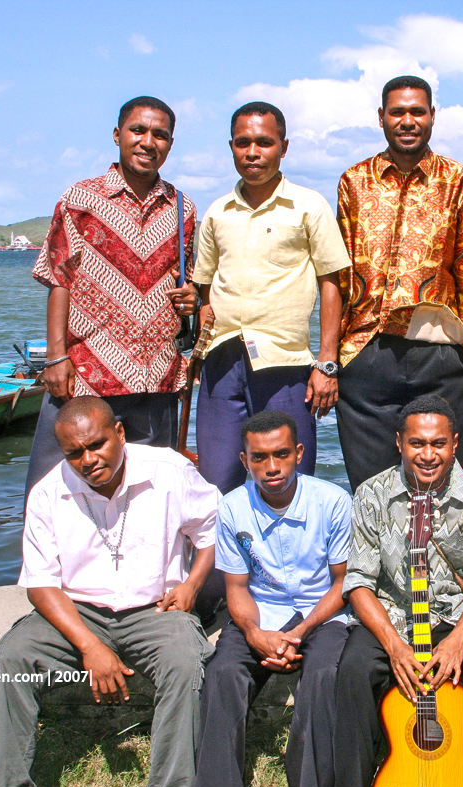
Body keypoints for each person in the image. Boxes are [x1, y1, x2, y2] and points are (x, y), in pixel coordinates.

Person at [0, 397, 218, 787]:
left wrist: (191, 585)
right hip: (78, 612)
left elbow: (212, 531)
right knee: (7, 662)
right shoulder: (48, 493)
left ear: (119, 434)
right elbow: (40, 584)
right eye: (74, 453)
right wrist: (90, 646)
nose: (88, 460)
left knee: (186, 664)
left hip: (155, 610)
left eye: (97, 445)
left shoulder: (170, 471)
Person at [332, 395, 463, 787]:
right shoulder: (371, 495)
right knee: (353, 672)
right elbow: (359, 581)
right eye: (417, 443)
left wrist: (458, 639)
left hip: (455, 616)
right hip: (394, 616)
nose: (428, 455)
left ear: (454, 443)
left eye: (438, 444)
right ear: (399, 442)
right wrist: (393, 646)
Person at [25, 96, 199, 500]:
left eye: (160, 135)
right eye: (138, 130)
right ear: (118, 135)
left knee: (149, 499)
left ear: (170, 144)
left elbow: (191, 283)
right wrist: (56, 357)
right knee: (51, 491)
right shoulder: (81, 199)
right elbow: (58, 277)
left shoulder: (182, 208)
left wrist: (192, 298)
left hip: (155, 378)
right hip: (85, 376)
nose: (147, 141)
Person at [335, 75, 463, 491]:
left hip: (439, 354)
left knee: (447, 485)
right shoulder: (354, 181)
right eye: (398, 112)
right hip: (366, 352)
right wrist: (334, 356)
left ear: (432, 117)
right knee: (370, 488)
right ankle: (380, 558)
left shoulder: (458, 181)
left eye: (417, 112)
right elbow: (340, 271)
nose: (408, 121)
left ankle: (445, 558)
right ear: (381, 118)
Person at [192, 102, 350, 496]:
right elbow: (205, 289)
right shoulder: (217, 213)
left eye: (264, 142)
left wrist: (327, 364)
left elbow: (332, 283)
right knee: (217, 484)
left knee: (290, 483)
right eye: (243, 142)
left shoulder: (309, 206)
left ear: (284, 146)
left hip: (285, 363)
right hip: (223, 362)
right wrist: (201, 351)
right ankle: (225, 559)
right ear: (231, 146)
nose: (253, 152)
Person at [194, 410, 351, 787]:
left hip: (323, 614)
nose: (272, 467)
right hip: (262, 612)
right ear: (244, 461)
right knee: (222, 674)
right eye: (259, 458)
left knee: (323, 677)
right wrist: (253, 632)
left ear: (298, 453)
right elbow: (237, 587)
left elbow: (342, 583)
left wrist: (298, 632)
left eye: (281, 454)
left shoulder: (332, 502)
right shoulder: (232, 507)